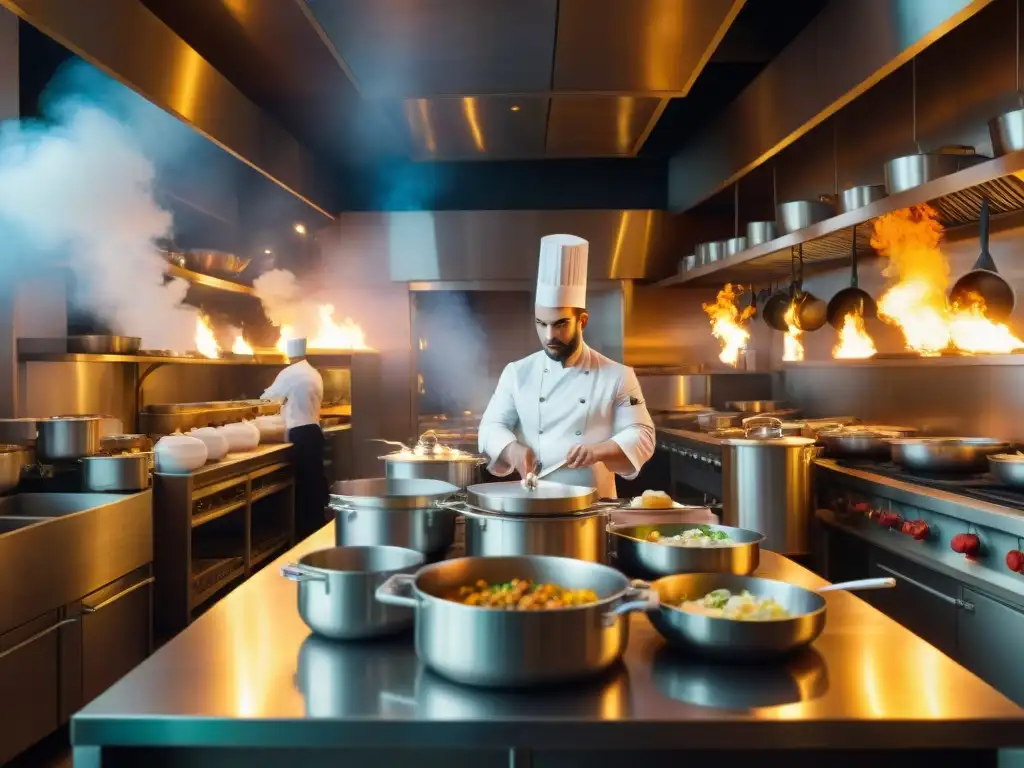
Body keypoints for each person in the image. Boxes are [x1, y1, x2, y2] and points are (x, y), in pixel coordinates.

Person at [478, 234, 655, 499]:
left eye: (560, 324)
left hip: (593, 505)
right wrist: (513, 449)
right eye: (541, 323)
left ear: (581, 321)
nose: (549, 336)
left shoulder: (617, 376)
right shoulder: (517, 373)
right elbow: (490, 426)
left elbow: (642, 434)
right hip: (532, 502)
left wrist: (600, 450)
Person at [262, 337, 328, 539]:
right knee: (314, 481)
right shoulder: (314, 373)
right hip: (314, 432)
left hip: (300, 434)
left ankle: (305, 534)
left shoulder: (290, 373)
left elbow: (266, 399)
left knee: (303, 485)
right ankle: (318, 528)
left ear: (290, 354)